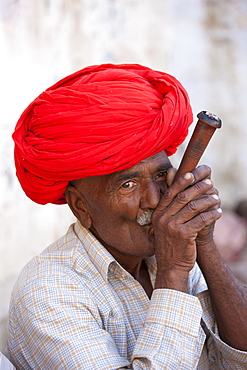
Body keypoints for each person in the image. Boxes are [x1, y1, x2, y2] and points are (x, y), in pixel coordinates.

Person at [6, 64, 247, 369]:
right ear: (80, 207)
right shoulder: (50, 289)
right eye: (128, 184)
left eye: (161, 175)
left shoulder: (166, 248)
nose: (156, 200)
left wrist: (205, 247)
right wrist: (173, 273)